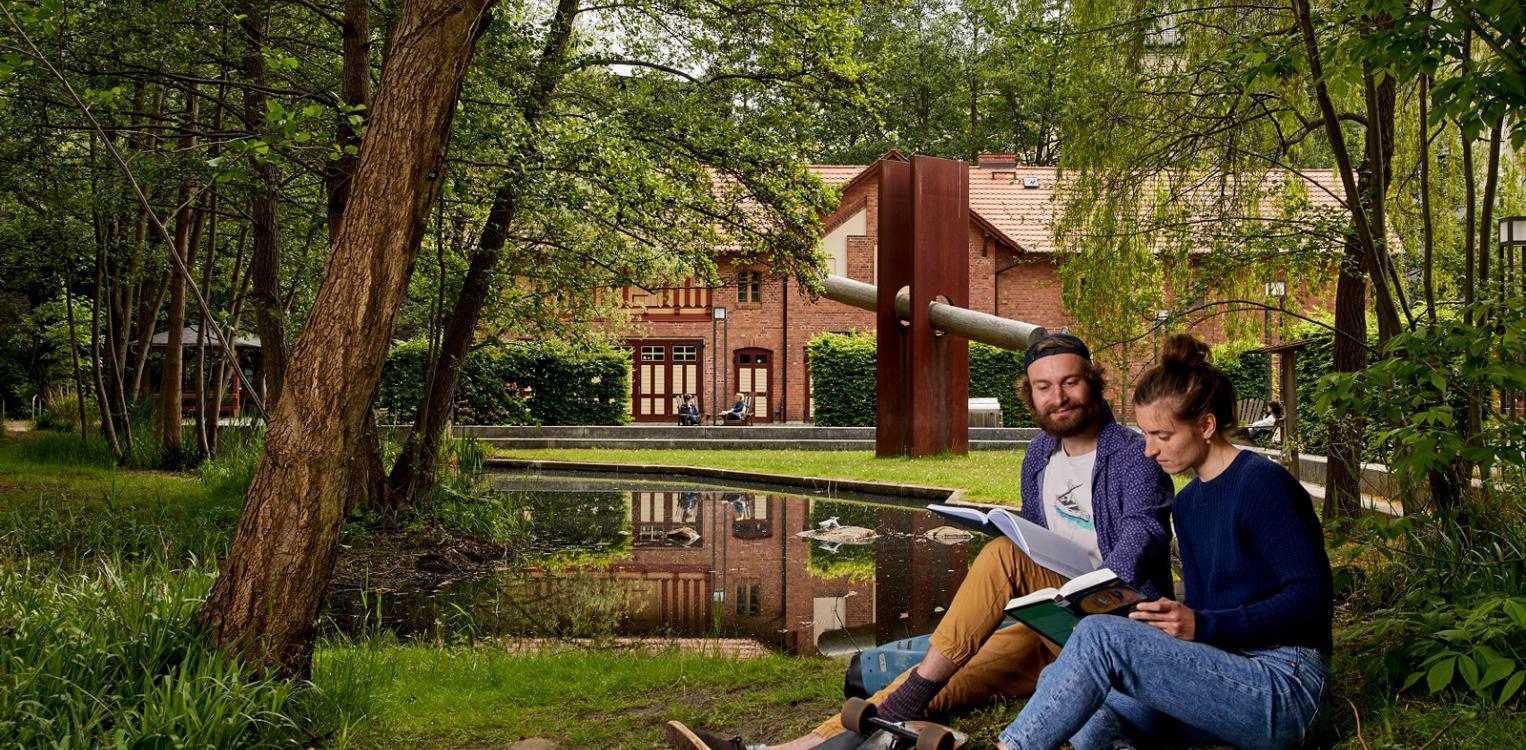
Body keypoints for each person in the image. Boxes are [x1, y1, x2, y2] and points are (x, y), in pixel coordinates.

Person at [664, 333, 1175, 750]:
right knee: (929, 687)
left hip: (1110, 624)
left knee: (1001, 557)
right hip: (1045, 630)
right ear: (1030, 394)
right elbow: (1042, 540)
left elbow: (1142, 536)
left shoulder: (1132, 455)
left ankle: (913, 691)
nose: (1057, 397)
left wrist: (1074, 581)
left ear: (1094, 384)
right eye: (1043, 387)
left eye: (1069, 383)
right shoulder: (1038, 457)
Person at [995, 333, 1333, 750]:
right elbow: (1207, 611)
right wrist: (1173, 624)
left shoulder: (1263, 484)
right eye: (1146, 434)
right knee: (1071, 685)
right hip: (1222, 673)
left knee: (1100, 639)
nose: (1149, 451)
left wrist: (1202, 624)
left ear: (1206, 425)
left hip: (1286, 684)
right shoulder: (1189, 503)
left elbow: (1310, 599)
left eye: (1162, 436)